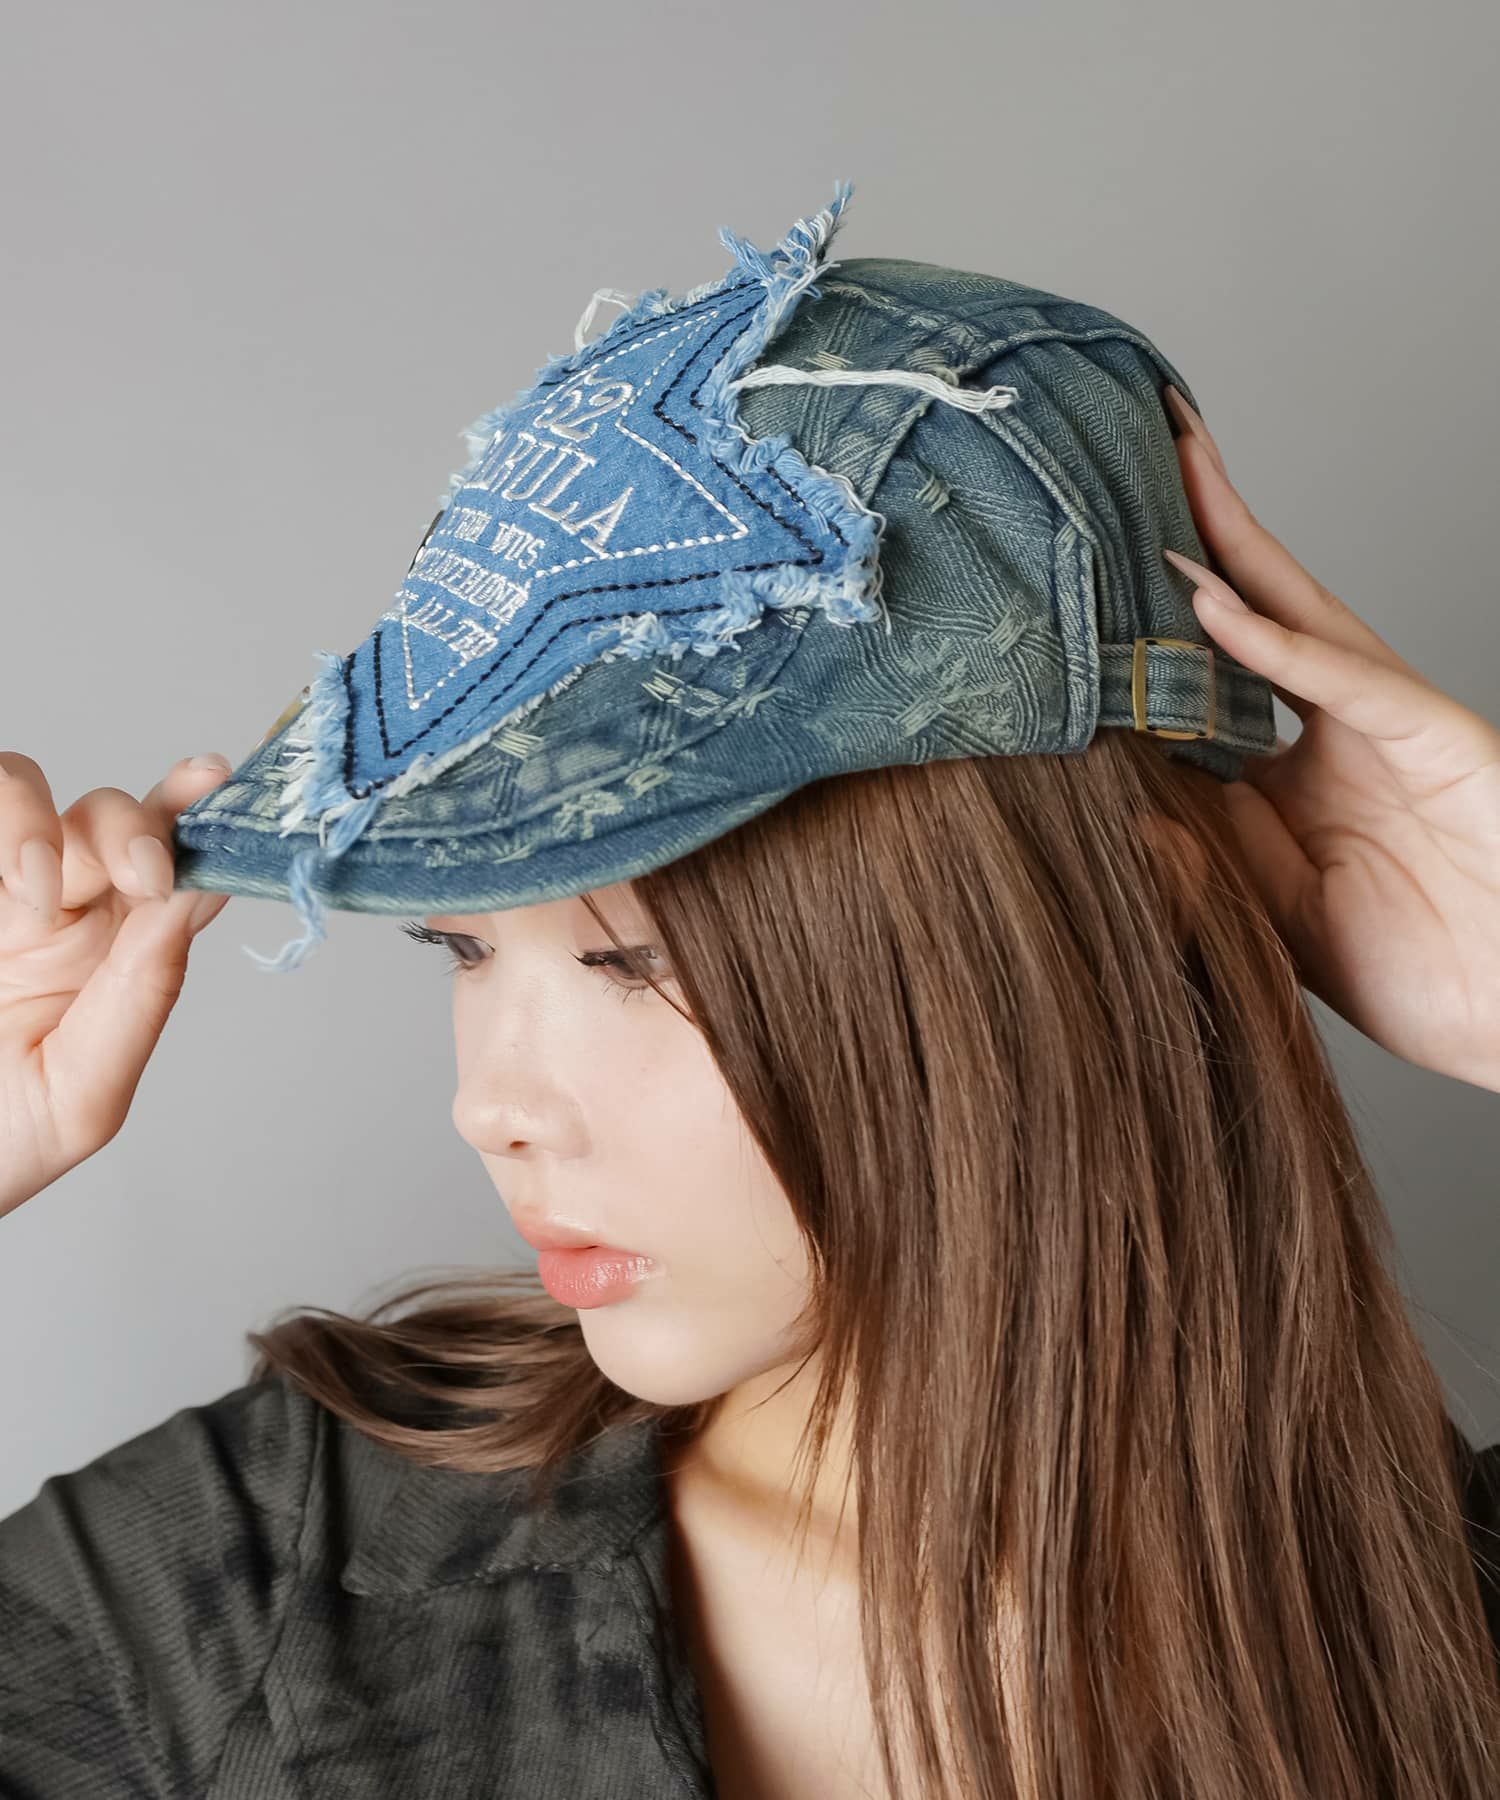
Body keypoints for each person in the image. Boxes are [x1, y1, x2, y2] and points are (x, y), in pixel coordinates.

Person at [1, 186, 1498, 1798]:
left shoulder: (1441, 1633)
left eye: (634, 960)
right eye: (463, 947)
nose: (492, 1106)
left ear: (1126, 921)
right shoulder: (254, 1594)